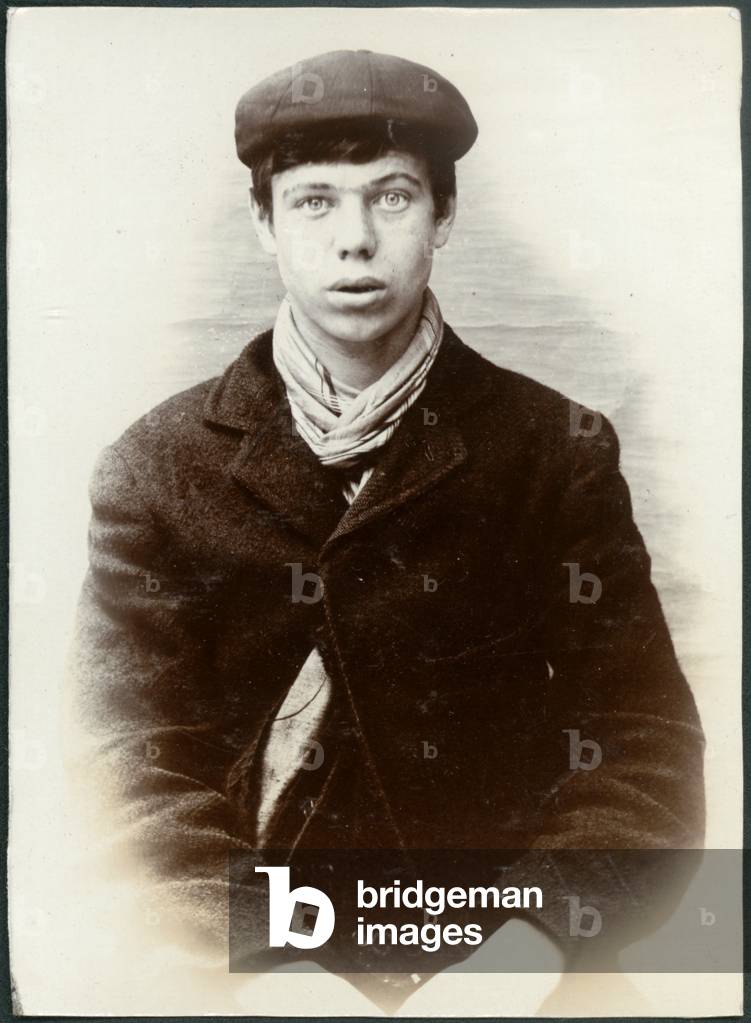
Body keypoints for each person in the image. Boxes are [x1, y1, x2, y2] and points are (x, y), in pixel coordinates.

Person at [70, 48, 705, 1008]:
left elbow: (647, 751)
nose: (355, 240)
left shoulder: (554, 451)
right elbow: (123, 779)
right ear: (263, 223)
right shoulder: (156, 468)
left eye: (393, 197)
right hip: (236, 967)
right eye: (315, 200)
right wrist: (269, 965)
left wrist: (520, 954)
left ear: (445, 216)